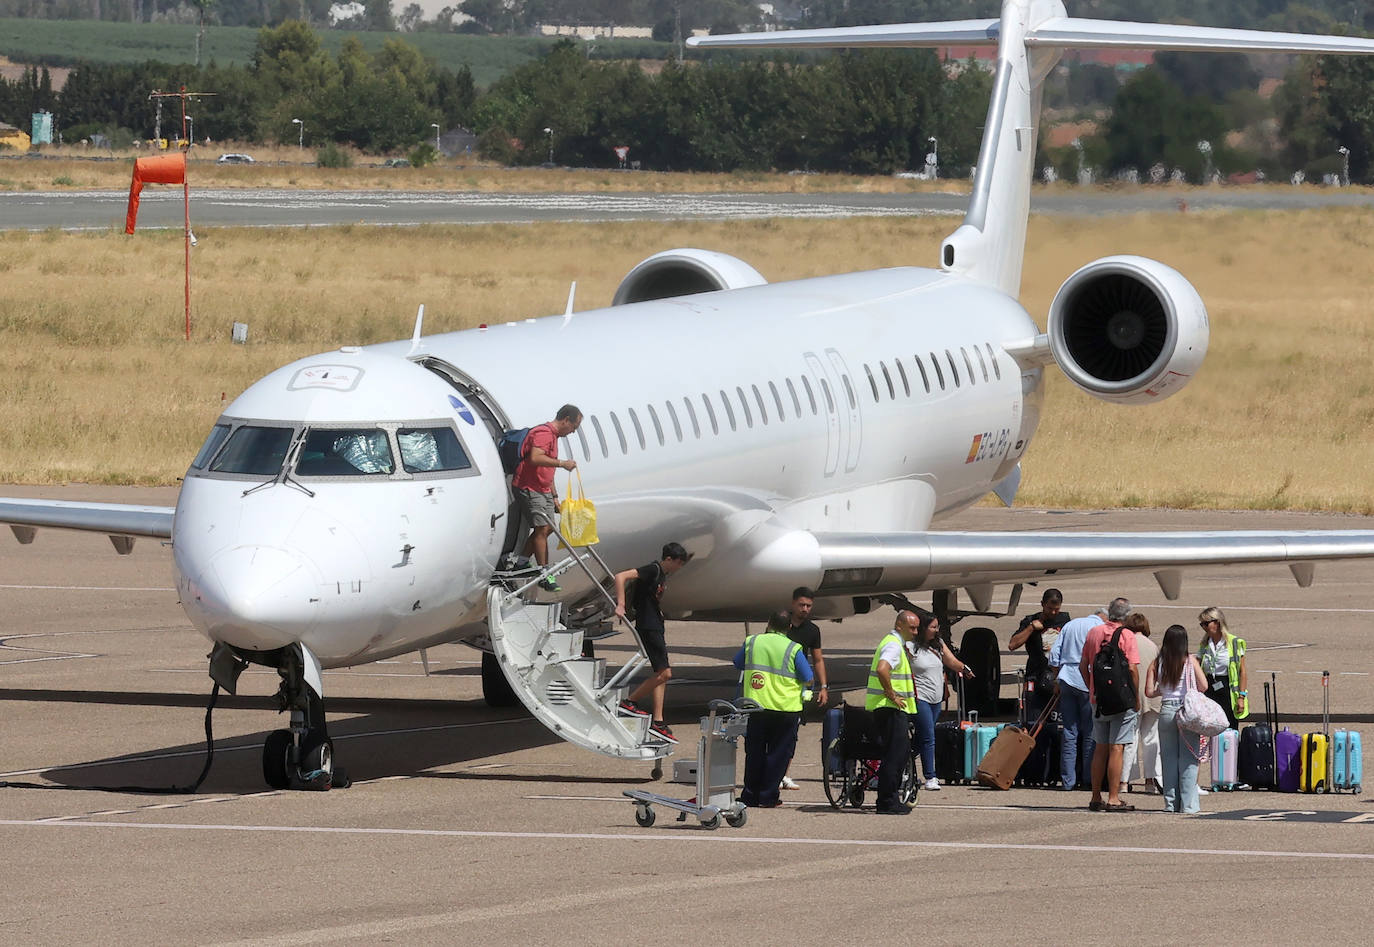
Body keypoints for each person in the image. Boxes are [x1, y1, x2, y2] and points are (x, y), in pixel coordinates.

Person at [613, 542, 693, 744]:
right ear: (668, 559)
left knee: (660, 674)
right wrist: (621, 604)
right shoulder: (652, 569)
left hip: (655, 624)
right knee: (666, 673)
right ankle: (629, 701)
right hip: (648, 626)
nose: (679, 567)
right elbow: (620, 576)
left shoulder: (662, 574)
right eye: (678, 563)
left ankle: (658, 720)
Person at [733, 610, 813, 809]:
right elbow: (807, 676)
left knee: (754, 752)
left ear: (768, 623)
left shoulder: (752, 642)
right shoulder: (793, 648)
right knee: (778, 754)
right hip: (785, 708)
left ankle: (750, 795)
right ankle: (768, 796)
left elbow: (737, 663)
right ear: (789, 627)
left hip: (757, 706)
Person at [510, 404, 582, 592]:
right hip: (529, 487)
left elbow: (546, 470)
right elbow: (535, 458)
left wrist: (555, 495)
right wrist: (562, 463)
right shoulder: (544, 434)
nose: (573, 432)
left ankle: (522, 562)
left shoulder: (554, 437)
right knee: (541, 528)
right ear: (566, 420)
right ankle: (544, 574)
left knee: (550, 528)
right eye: (574, 427)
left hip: (543, 488)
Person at [1079, 597, 1140, 812]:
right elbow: (1132, 669)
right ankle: (1114, 797)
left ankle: (1096, 796)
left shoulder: (1094, 632)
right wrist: (1136, 699)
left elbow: (1083, 665)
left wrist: (1091, 689)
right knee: (1117, 748)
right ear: (1127, 616)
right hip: (1121, 700)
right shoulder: (1127, 635)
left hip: (1099, 700)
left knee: (1100, 747)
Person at [1146, 624, 1208, 813]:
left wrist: (1162, 690)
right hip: (1186, 712)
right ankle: (1189, 804)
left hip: (1166, 711)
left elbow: (1149, 691)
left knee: (1168, 759)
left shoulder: (1157, 662)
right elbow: (1204, 686)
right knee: (1188, 759)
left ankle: (1170, 803)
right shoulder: (1190, 660)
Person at [909, 611, 975, 791]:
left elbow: (951, 661)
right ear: (922, 628)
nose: (936, 630)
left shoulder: (938, 644)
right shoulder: (910, 647)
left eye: (937, 626)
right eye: (933, 627)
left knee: (920, 739)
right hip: (919, 697)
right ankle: (930, 776)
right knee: (929, 735)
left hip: (935, 698)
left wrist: (965, 668)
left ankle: (899, 764)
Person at [865, 610, 921, 815]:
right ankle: (887, 801)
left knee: (898, 753)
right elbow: (882, 669)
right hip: (889, 708)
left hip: (889, 708)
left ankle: (889, 799)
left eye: (917, 628)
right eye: (912, 628)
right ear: (899, 626)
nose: (915, 632)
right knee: (895, 755)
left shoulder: (895, 643)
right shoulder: (893, 645)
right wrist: (891, 694)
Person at [1050, 606, 1108, 790]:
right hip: (1086, 680)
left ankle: (1068, 780)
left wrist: (1057, 678)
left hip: (1066, 677)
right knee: (1089, 732)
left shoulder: (1070, 625)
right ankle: (1088, 778)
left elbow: (1053, 655)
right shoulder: (1099, 629)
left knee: (1069, 731)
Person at [778, 587, 827, 791]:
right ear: (793, 603)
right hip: (777, 686)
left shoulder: (812, 630)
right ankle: (772, 772)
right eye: (801, 605)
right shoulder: (781, 625)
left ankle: (784, 774)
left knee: (792, 734)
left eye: (808, 606)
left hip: (797, 690)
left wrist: (823, 686)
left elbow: (817, 659)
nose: (805, 609)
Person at [1008, 588, 1069, 720]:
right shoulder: (1030, 620)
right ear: (1042, 604)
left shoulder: (1065, 621)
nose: (1053, 612)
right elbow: (1012, 645)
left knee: (1057, 721)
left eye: (1056, 609)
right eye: (1049, 608)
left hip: (1057, 678)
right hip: (1036, 676)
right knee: (1033, 718)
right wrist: (1031, 628)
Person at [1119, 612, 1162, 795]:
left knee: (1131, 739)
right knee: (1151, 738)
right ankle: (1150, 780)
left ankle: (1124, 780)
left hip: (1131, 696)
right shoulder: (1153, 646)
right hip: (1152, 697)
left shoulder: (1125, 643)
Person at [1197, 606, 1248, 728]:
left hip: (1227, 688)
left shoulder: (1235, 642)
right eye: (1202, 624)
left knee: (1229, 727)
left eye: (1206, 623)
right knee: (1210, 727)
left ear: (1217, 622)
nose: (1204, 627)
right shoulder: (1204, 644)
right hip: (1209, 687)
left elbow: (1242, 672)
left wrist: (1241, 697)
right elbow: (1197, 665)